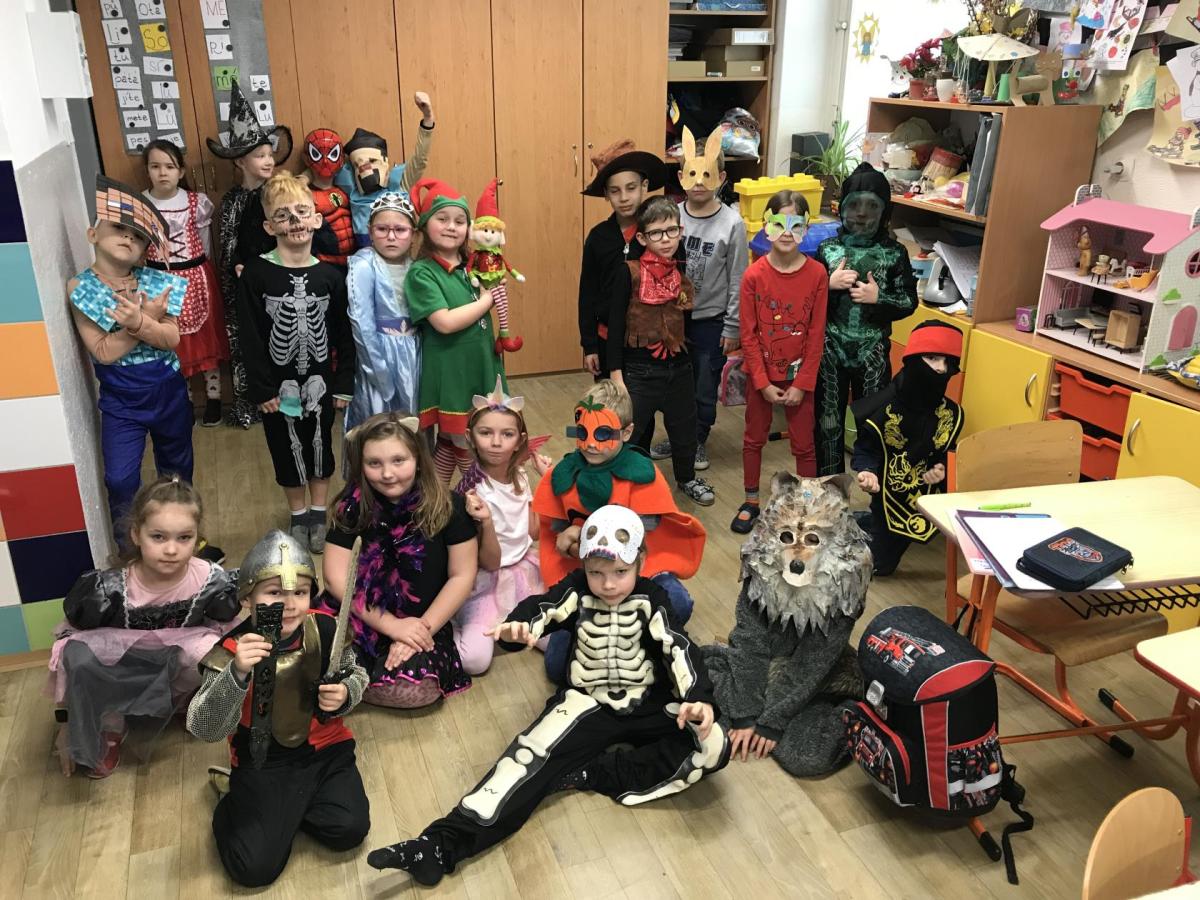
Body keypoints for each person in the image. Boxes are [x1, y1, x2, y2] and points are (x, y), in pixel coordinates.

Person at [366, 504, 730, 887]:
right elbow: (543, 608)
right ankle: (440, 845)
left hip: (647, 699)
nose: (608, 585)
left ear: (640, 561)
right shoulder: (578, 589)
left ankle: (597, 773)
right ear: (584, 565)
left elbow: (678, 646)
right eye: (596, 573)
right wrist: (518, 627)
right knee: (526, 758)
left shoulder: (653, 597)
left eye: (621, 573)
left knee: (713, 741)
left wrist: (698, 697)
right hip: (586, 701)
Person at [187, 529, 370, 888]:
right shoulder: (230, 651)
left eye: (299, 592)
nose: (289, 604)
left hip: (325, 751)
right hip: (263, 761)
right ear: (247, 598)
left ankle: (287, 810)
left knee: (349, 829)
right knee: (253, 869)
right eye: (274, 593)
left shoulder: (325, 627)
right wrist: (237, 673)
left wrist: (346, 693)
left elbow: (357, 672)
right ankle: (234, 801)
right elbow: (203, 726)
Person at [50, 476, 239, 779]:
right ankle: (111, 721)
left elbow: (228, 627)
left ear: (197, 538)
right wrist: (66, 720)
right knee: (80, 656)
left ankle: (182, 701)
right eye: (158, 537)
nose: (172, 549)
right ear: (137, 535)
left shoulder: (209, 579)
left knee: (216, 650)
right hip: (123, 666)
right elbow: (69, 652)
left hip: (174, 662)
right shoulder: (109, 589)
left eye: (184, 537)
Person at [531, 379, 706, 681]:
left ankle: (633, 639)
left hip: (639, 571)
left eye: (603, 434)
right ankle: (603, 632)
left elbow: (639, 537)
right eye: (582, 433)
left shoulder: (642, 474)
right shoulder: (565, 474)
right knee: (558, 668)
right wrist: (570, 541)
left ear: (626, 432)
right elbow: (556, 535)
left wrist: (580, 534)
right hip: (586, 575)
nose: (590, 444)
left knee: (678, 602)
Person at [316, 413, 477, 708]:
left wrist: (416, 631)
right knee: (312, 654)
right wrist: (392, 626)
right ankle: (345, 684)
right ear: (360, 465)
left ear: (418, 458)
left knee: (415, 689)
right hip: (361, 613)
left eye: (399, 460)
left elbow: (462, 575)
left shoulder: (449, 506)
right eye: (374, 463)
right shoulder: (351, 509)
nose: (388, 474)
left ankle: (347, 686)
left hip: (423, 619)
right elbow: (335, 578)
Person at [235, 171, 355, 554]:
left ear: (316, 219)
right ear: (269, 226)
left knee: (320, 444)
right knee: (284, 447)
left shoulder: (331, 276)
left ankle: (319, 513)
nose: (295, 222)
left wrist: (344, 382)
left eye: (302, 212)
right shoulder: (256, 274)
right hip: (278, 385)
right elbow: (250, 336)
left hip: (321, 380)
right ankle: (298, 514)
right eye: (283, 215)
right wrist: (262, 389)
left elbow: (344, 334)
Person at [69, 175, 192, 535]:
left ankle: (182, 537)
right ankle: (129, 547)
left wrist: (141, 322)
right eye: (119, 228)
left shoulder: (156, 282)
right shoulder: (80, 287)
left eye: (138, 236)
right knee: (120, 479)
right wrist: (141, 323)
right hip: (121, 400)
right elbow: (103, 351)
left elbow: (171, 339)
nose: (128, 238)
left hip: (168, 389)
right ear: (93, 234)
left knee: (177, 470)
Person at [607, 196, 715, 507]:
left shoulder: (680, 274)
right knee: (630, 431)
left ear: (680, 232)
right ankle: (620, 484)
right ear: (642, 238)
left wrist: (689, 363)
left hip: (679, 368)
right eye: (656, 233)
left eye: (671, 231)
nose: (665, 239)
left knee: (685, 429)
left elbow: (686, 323)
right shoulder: (627, 273)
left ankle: (687, 478)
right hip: (639, 371)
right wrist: (617, 375)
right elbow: (615, 326)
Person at [650, 128, 747, 473]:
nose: (700, 182)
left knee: (705, 383)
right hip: (674, 319)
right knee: (675, 383)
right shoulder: (671, 216)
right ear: (681, 177)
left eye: (708, 174)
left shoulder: (732, 223)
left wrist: (732, 326)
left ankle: (698, 437)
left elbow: (738, 277)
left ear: (722, 177)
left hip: (711, 320)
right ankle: (679, 436)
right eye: (692, 173)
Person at [731, 191, 827, 534]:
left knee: (804, 443)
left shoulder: (817, 274)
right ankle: (751, 500)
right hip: (763, 376)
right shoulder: (753, 276)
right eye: (779, 223)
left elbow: (816, 334)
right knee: (753, 437)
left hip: (800, 377)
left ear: (806, 228)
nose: (787, 232)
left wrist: (802, 383)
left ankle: (806, 503)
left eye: (795, 224)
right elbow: (748, 334)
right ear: (766, 226)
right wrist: (761, 382)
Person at [814, 162, 918, 475]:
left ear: (885, 212)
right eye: (854, 205)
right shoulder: (828, 249)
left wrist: (879, 298)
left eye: (871, 206)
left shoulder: (895, 253)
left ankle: (874, 493)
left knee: (874, 423)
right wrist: (828, 285)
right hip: (830, 349)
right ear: (841, 208)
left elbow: (909, 301)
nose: (861, 214)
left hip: (872, 350)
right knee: (827, 421)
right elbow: (807, 301)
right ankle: (829, 490)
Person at [405, 177, 506, 484]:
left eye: (459, 221)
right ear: (425, 225)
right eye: (442, 219)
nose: (451, 227)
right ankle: (483, 497)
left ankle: (437, 502)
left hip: (479, 364)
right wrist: (488, 299)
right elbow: (445, 322)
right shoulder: (422, 272)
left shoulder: (471, 265)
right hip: (452, 372)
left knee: (450, 441)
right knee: (466, 439)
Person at [451, 378, 553, 675]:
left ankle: (512, 623)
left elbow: (534, 532)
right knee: (474, 661)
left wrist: (546, 482)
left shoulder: (519, 474)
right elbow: (490, 563)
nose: (496, 443)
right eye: (486, 433)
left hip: (524, 569)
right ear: (470, 437)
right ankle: (448, 630)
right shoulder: (471, 492)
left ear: (520, 440)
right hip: (487, 578)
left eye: (507, 434)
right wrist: (486, 522)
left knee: (554, 638)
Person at [211, 78, 294, 429]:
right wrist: (236, 270)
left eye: (269, 153)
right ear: (240, 161)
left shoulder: (279, 194)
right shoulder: (232, 200)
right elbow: (227, 243)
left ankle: (288, 398)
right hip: (243, 284)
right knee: (248, 341)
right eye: (260, 155)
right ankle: (250, 402)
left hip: (277, 279)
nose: (268, 160)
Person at [851, 320, 964, 576]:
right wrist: (867, 471)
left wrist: (942, 468)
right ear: (914, 359)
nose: (940, 368)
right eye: (932, 358)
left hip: (926, 494)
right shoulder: (885, 408)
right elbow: (867, 448)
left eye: (947, 362)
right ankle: (868, 523)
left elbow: (948, 451)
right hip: (888, 495)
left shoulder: (950, 413)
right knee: (879, 566)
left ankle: (867, 523)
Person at [142, 139, 229, 426]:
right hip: (159, 280)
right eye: (155, 166)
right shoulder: (141, 204)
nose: (162, 173)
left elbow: (205, 243)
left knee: (205, 338)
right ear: (147, 170)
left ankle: (214, 398)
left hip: (195, 276)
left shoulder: (195, 203)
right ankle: (185, 401)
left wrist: (206, 270)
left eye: (169, 166)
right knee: (172, 341)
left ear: (180, 171)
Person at [578, 139, 670, 379]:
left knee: (642, 402)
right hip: (606, 339)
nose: (624, 197)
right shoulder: (598, 238)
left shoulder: (658, 235)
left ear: (644, 186)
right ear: (606, 194)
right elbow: (587, 293)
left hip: (647, 344)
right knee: (610, 399)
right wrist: (590, 345)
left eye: (631, 188)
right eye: (615, 191)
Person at [344, 191, 421, 434]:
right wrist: (380, 373)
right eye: (382, 229)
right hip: (379, 353)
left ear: (413, 235)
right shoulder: (364, 264)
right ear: (370, 231)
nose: (391, 237)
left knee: (413, 422)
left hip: (415, 353)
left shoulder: (416, 266)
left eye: (400, 230)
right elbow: (361, 322)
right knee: (380, 422)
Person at [335, 92, 435, 247]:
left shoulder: (400, 184)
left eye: (372, 161)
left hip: (400, 256)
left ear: (384, 162)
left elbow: (419, 160)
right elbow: (325, 170)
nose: (365, 168)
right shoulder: (351, 188)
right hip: (365, 257)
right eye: (357, 164)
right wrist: (306, 177)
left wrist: (428, 119)